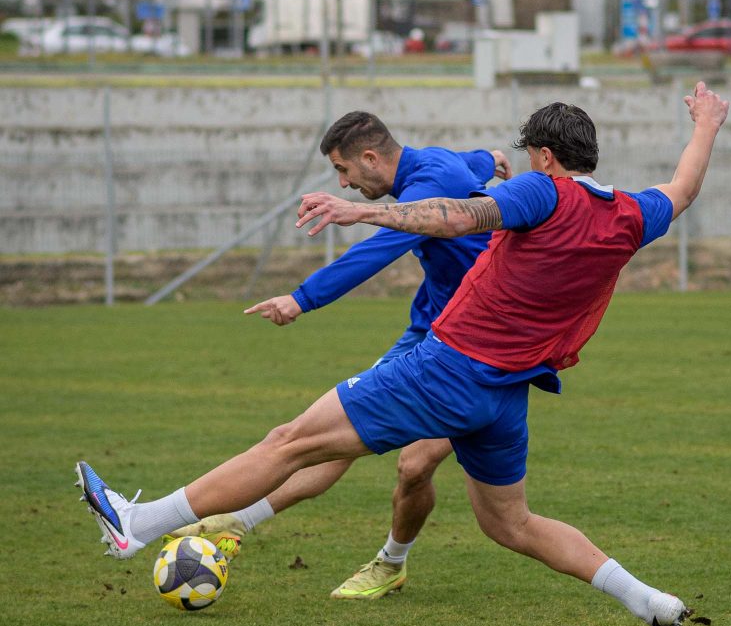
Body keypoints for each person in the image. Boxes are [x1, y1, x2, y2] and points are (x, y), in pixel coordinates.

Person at [76, 81, 729, 626]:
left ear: (545, 156)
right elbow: (683, 187)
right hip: (506, 394)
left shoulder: (542, 191)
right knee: (513, 524)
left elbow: (455, 217)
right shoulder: (631, 213)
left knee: (290, 442)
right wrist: (705, 125)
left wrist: (362, 215)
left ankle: (138, 523)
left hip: (446, 369)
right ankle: (650, 600)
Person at [168, 110, 513, 599]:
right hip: (428, 331)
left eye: (343, 170)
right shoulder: (436, 164)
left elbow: (373, 254)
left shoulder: (427, 188)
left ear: (370, 158)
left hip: (477, 348)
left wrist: (301, 298)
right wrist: (492, 157)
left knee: (414, 467)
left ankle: (391, 562)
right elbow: (472, 162)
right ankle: (239, 519)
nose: (344, 184)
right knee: (337, 432)